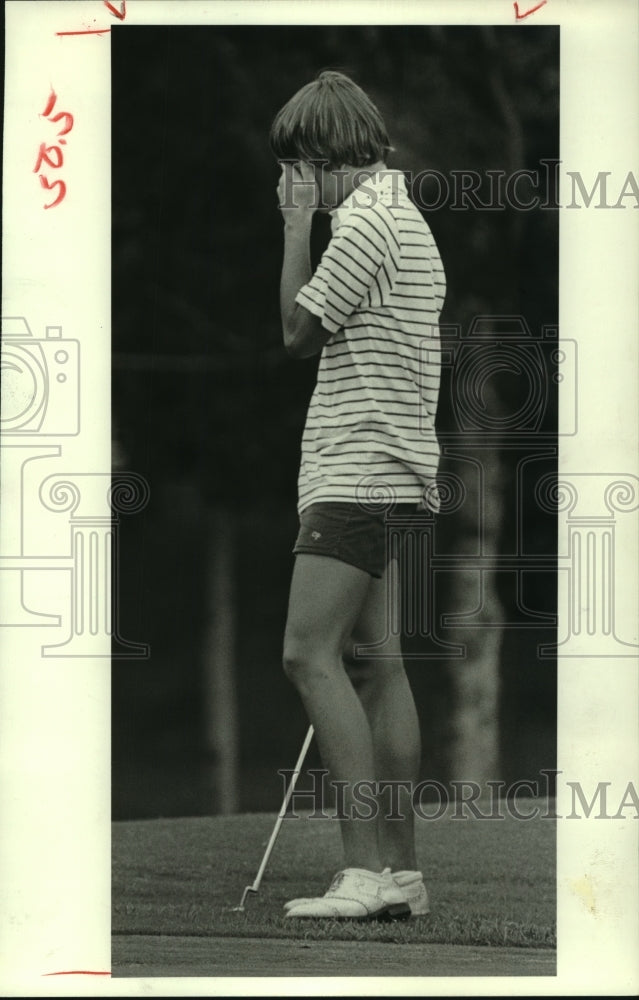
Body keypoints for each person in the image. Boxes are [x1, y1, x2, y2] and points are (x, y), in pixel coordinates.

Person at [270, 70, 446, 920]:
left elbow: (296, 332)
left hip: (355, 473)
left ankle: (363, 871)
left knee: (308, 653)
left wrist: (294, 226)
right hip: (399, 474)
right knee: (379, 666)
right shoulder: (400, 214)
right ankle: (401, 874)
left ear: (325, 156)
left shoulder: (364, 222)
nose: (292, 180)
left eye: (299, 166)